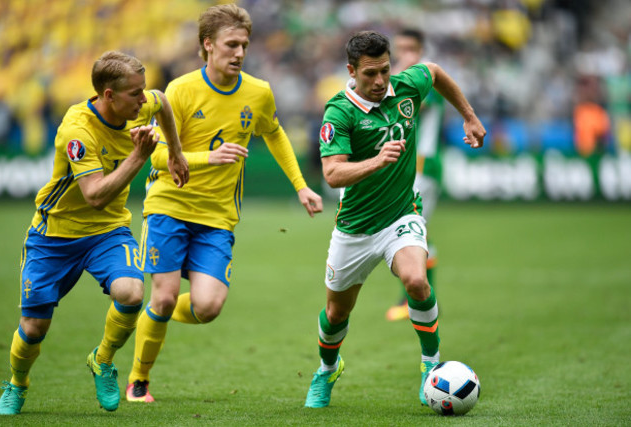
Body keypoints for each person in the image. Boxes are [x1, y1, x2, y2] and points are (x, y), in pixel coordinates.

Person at [126, 3, 323, 403]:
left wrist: (301, 185)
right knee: (162, 296)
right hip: (169, 205)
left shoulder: (259, 92)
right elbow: (158, 156)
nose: (239, 52)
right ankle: (138, 379)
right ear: (208, 45)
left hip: (217, 217)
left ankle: (156, 317)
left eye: (244, 45)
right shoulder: (179, 91)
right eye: (231, 44)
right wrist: (204, 158)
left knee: (209, 306)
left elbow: (275, 133)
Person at [0, 51, 189, 416]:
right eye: (134, 93)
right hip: (55, 235)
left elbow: (162, 102)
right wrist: (139, 156)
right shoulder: (77, 130)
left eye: (142, 90)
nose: (143, 99)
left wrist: (176, 153)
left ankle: (102, 360)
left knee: (131, 292)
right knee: (34, 327)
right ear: (108, 95)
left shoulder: (141, 104)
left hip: (108, 232)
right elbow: (95, 195)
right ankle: (17, 384)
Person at [303, 31, 485, 409]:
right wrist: (376, 161)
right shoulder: (339, 111)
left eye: (385, 70)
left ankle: (430, 368)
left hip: (403, 214)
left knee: (416, 280)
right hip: (354, 227)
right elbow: (333, 175)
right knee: (337, 313)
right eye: (370, 74)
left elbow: (433, 72)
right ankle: (326, 369)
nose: (380, 81)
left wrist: (468, 116)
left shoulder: (405, 87)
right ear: (351, 71)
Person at [385, 28, 446, 322]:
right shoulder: (400, 78)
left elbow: (406, 105)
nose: (405, 54)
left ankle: (415, 300)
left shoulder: (426, 79)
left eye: (411, 48)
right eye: (400, 48)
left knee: (410, 231)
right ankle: (419, 298)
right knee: (415, 231)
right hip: (409, 168)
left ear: (421, 50)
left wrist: (398, 70)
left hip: (424, 167)